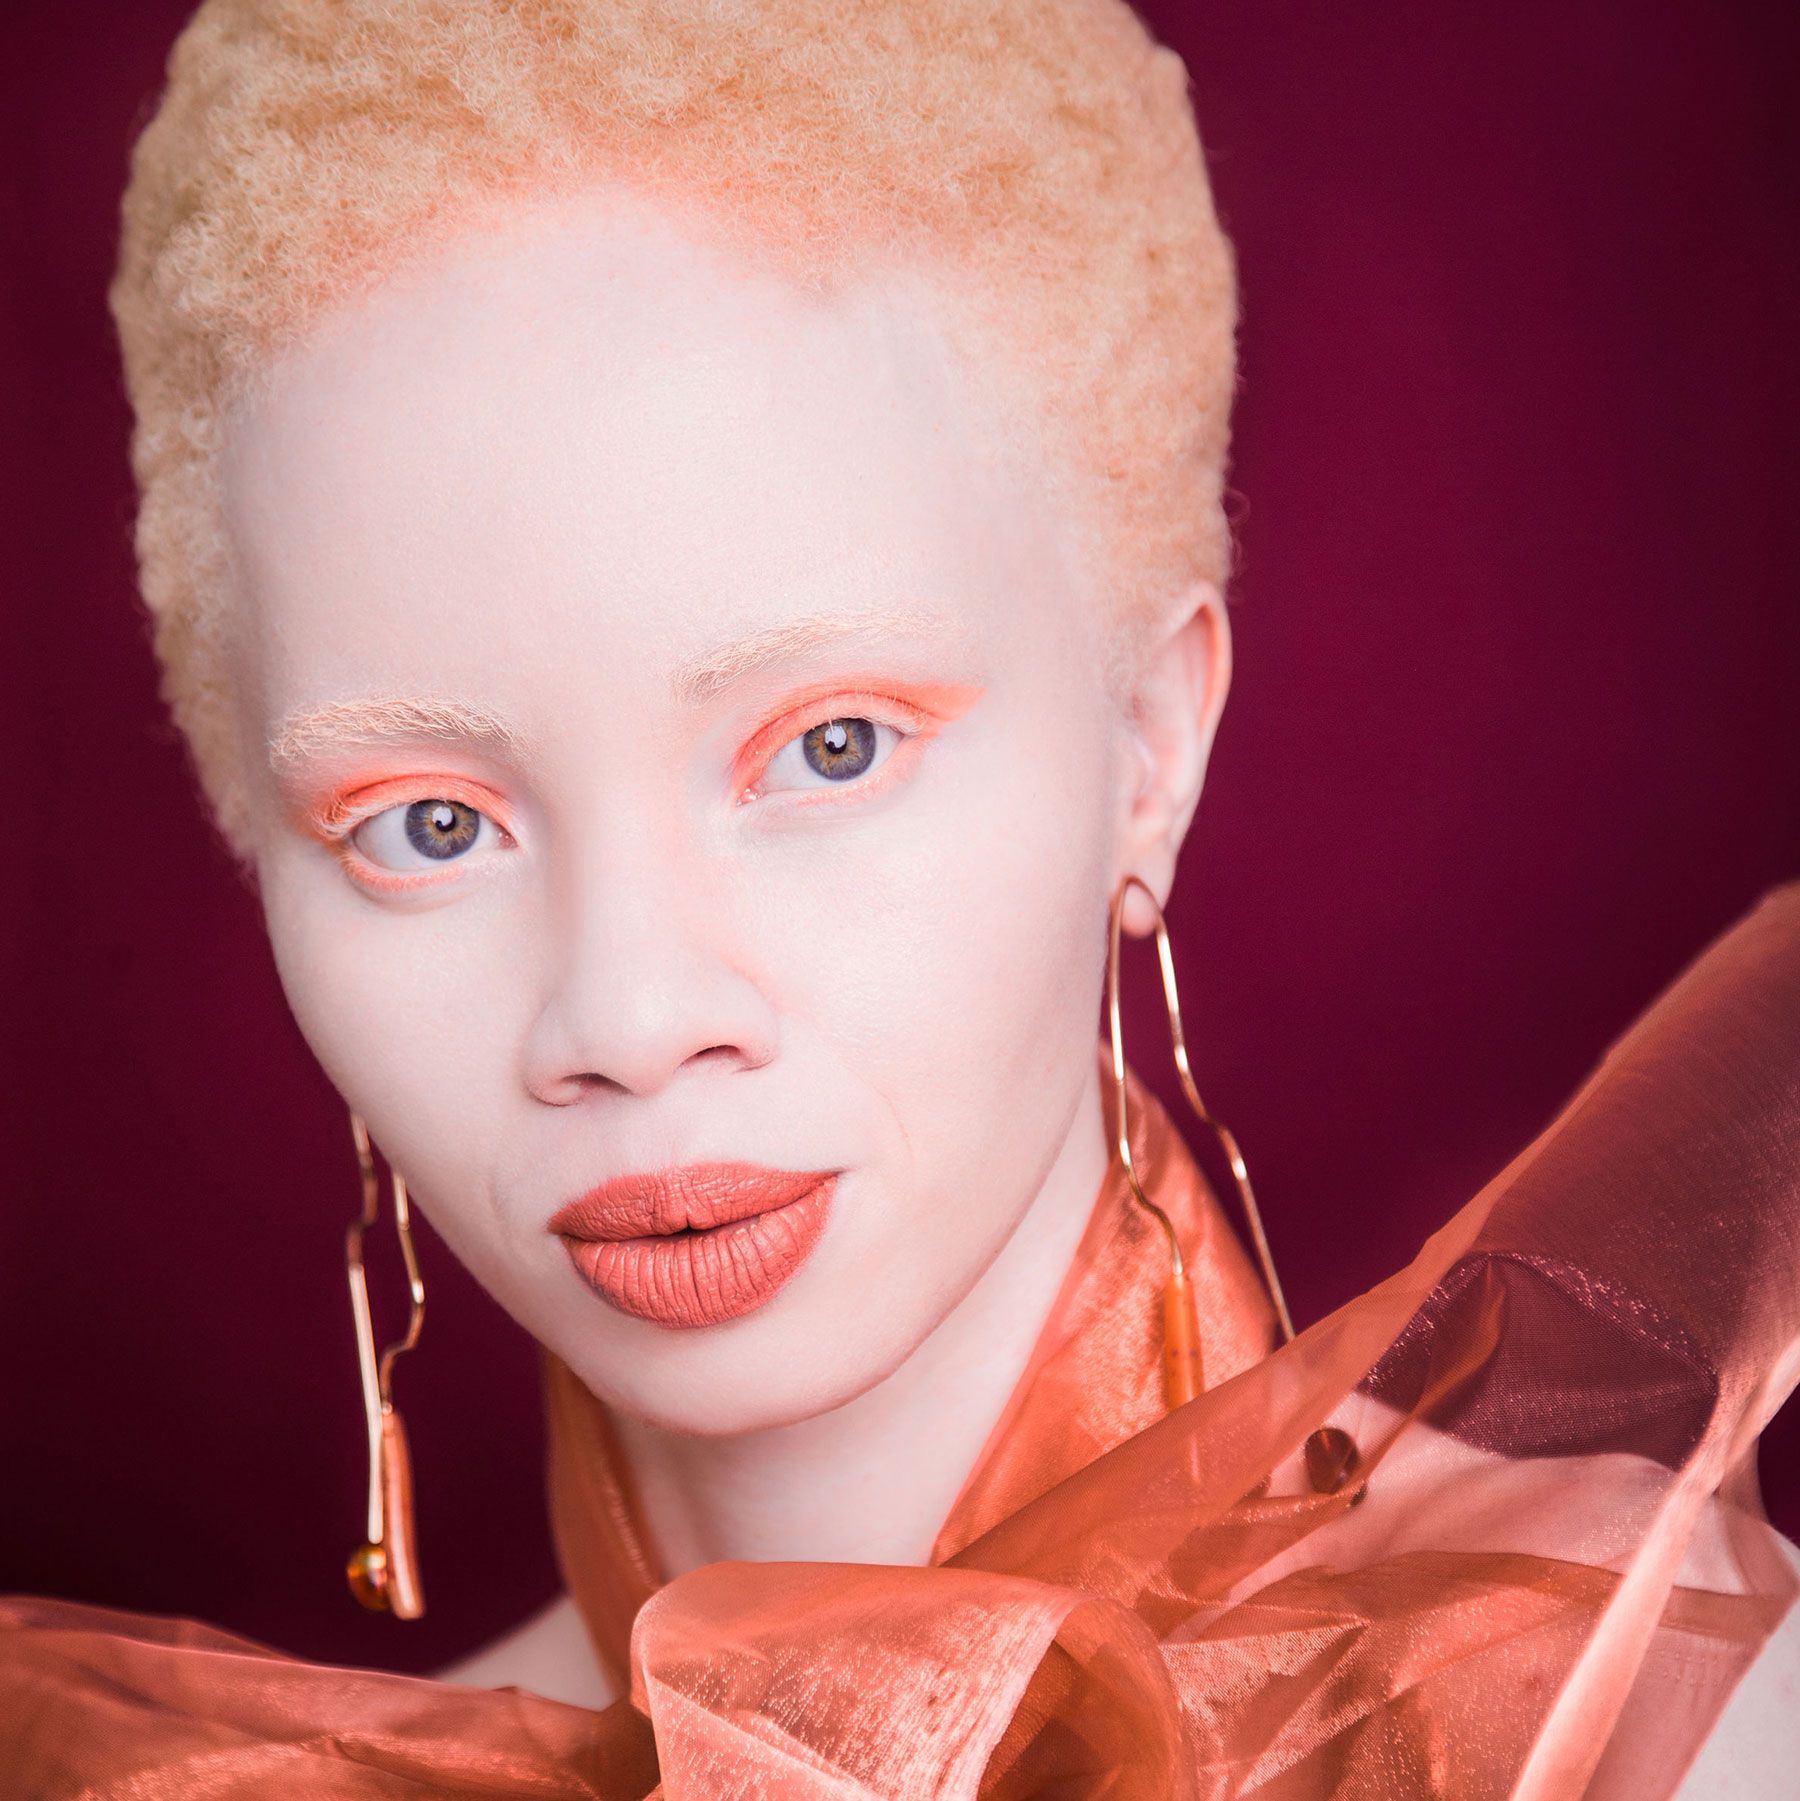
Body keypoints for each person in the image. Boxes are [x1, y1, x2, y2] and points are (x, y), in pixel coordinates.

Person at [3, 0, 1796, 1793]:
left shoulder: (1677, 1734)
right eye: (428, 826)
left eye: (833, 744)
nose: (631, 1016)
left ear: (1148, 742)